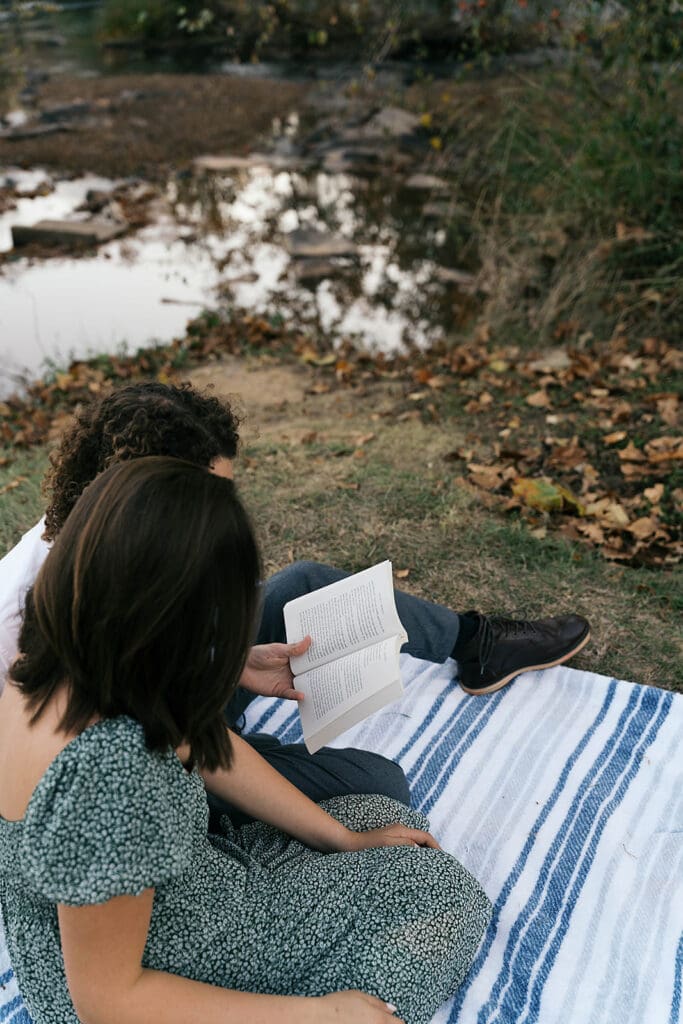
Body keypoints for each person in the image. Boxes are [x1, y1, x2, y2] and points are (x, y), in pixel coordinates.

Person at [0, 457, 492, 1024]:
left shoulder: (71, 659)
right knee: (442, 895)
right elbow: (109, 1001)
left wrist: (341, 839)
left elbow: (204, 743)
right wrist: (323, 1015)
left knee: (379, 821)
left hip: (171, 899)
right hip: (155, 970)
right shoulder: (110, 777)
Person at [0, 382, 590, 811]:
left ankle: (476, 642)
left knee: (301, 585)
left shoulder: (107, 539)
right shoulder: (55, 612)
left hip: (171, 702)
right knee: (378, 785)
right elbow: (139, 746)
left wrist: (232, 662)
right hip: (147, 764)